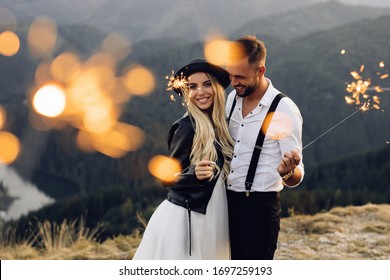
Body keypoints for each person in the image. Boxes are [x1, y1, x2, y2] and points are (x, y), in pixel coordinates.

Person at [133, 59, 234, 260]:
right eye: (192, 87)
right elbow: (167, 178)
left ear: (216, 88)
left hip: (213, 212)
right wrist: (193, 173)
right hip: (188, 217)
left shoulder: (222, 126)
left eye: (207, 84)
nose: (200, 92)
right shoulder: (186, 127)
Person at [225, 35, 304, 260]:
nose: (233, 82)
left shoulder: (284, 110)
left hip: (259, 208)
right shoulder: (232, 99)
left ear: (260, 71)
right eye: (230, 75)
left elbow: (297, 176)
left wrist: (287, 171)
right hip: (225, 202)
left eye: (240, 76)